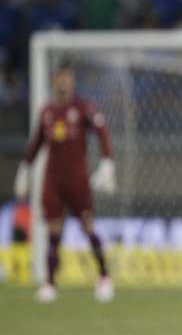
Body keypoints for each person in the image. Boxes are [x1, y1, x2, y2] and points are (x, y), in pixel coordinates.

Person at [14, 65, 117, 303]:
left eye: (67, 79)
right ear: (53, 81)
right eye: (59, 79)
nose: (63, 83)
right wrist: (25, 168)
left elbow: (103, 133)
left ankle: (104, 277)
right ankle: (50, 283)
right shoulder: (47, 112)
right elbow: (37, 143)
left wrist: (107, 162)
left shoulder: (83, 108)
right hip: (53, 179)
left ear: (72, 82)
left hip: (77, 178)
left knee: (87, 226)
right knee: (53, 229)